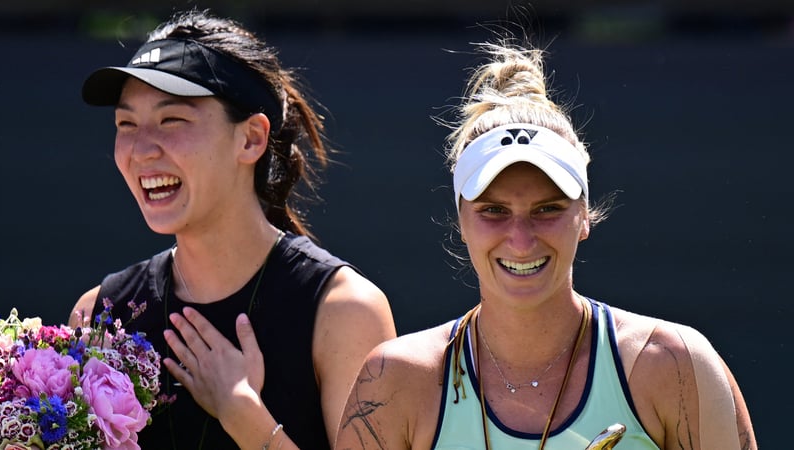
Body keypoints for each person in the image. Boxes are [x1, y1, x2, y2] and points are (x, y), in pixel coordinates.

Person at [334, 37, 757, 450]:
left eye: (547, 209)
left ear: (585, 217)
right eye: (494, 211)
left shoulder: (676, 365)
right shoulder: (395, 380)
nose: (521, 241)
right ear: (461, 222)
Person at [68, 9, 396, 450]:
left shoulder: (346, 312)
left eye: (172, 120)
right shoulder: (97, 314)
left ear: (251, 139)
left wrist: (243, 415)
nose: (141, 150)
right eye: (126, 124)